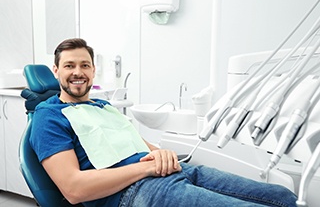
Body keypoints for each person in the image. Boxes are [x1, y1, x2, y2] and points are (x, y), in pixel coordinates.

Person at [30, 38, 297, 207]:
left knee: (282, 197)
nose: (78, 72)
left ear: (93, 70)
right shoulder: (48, 116)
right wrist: (146, 170)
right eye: (69, 66)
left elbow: (140, 146)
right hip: (134, 192)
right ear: (56, 71)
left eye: (85, 65)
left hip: (173, 172)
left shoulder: (103, 107)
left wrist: (163, 154)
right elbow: (74, 189)